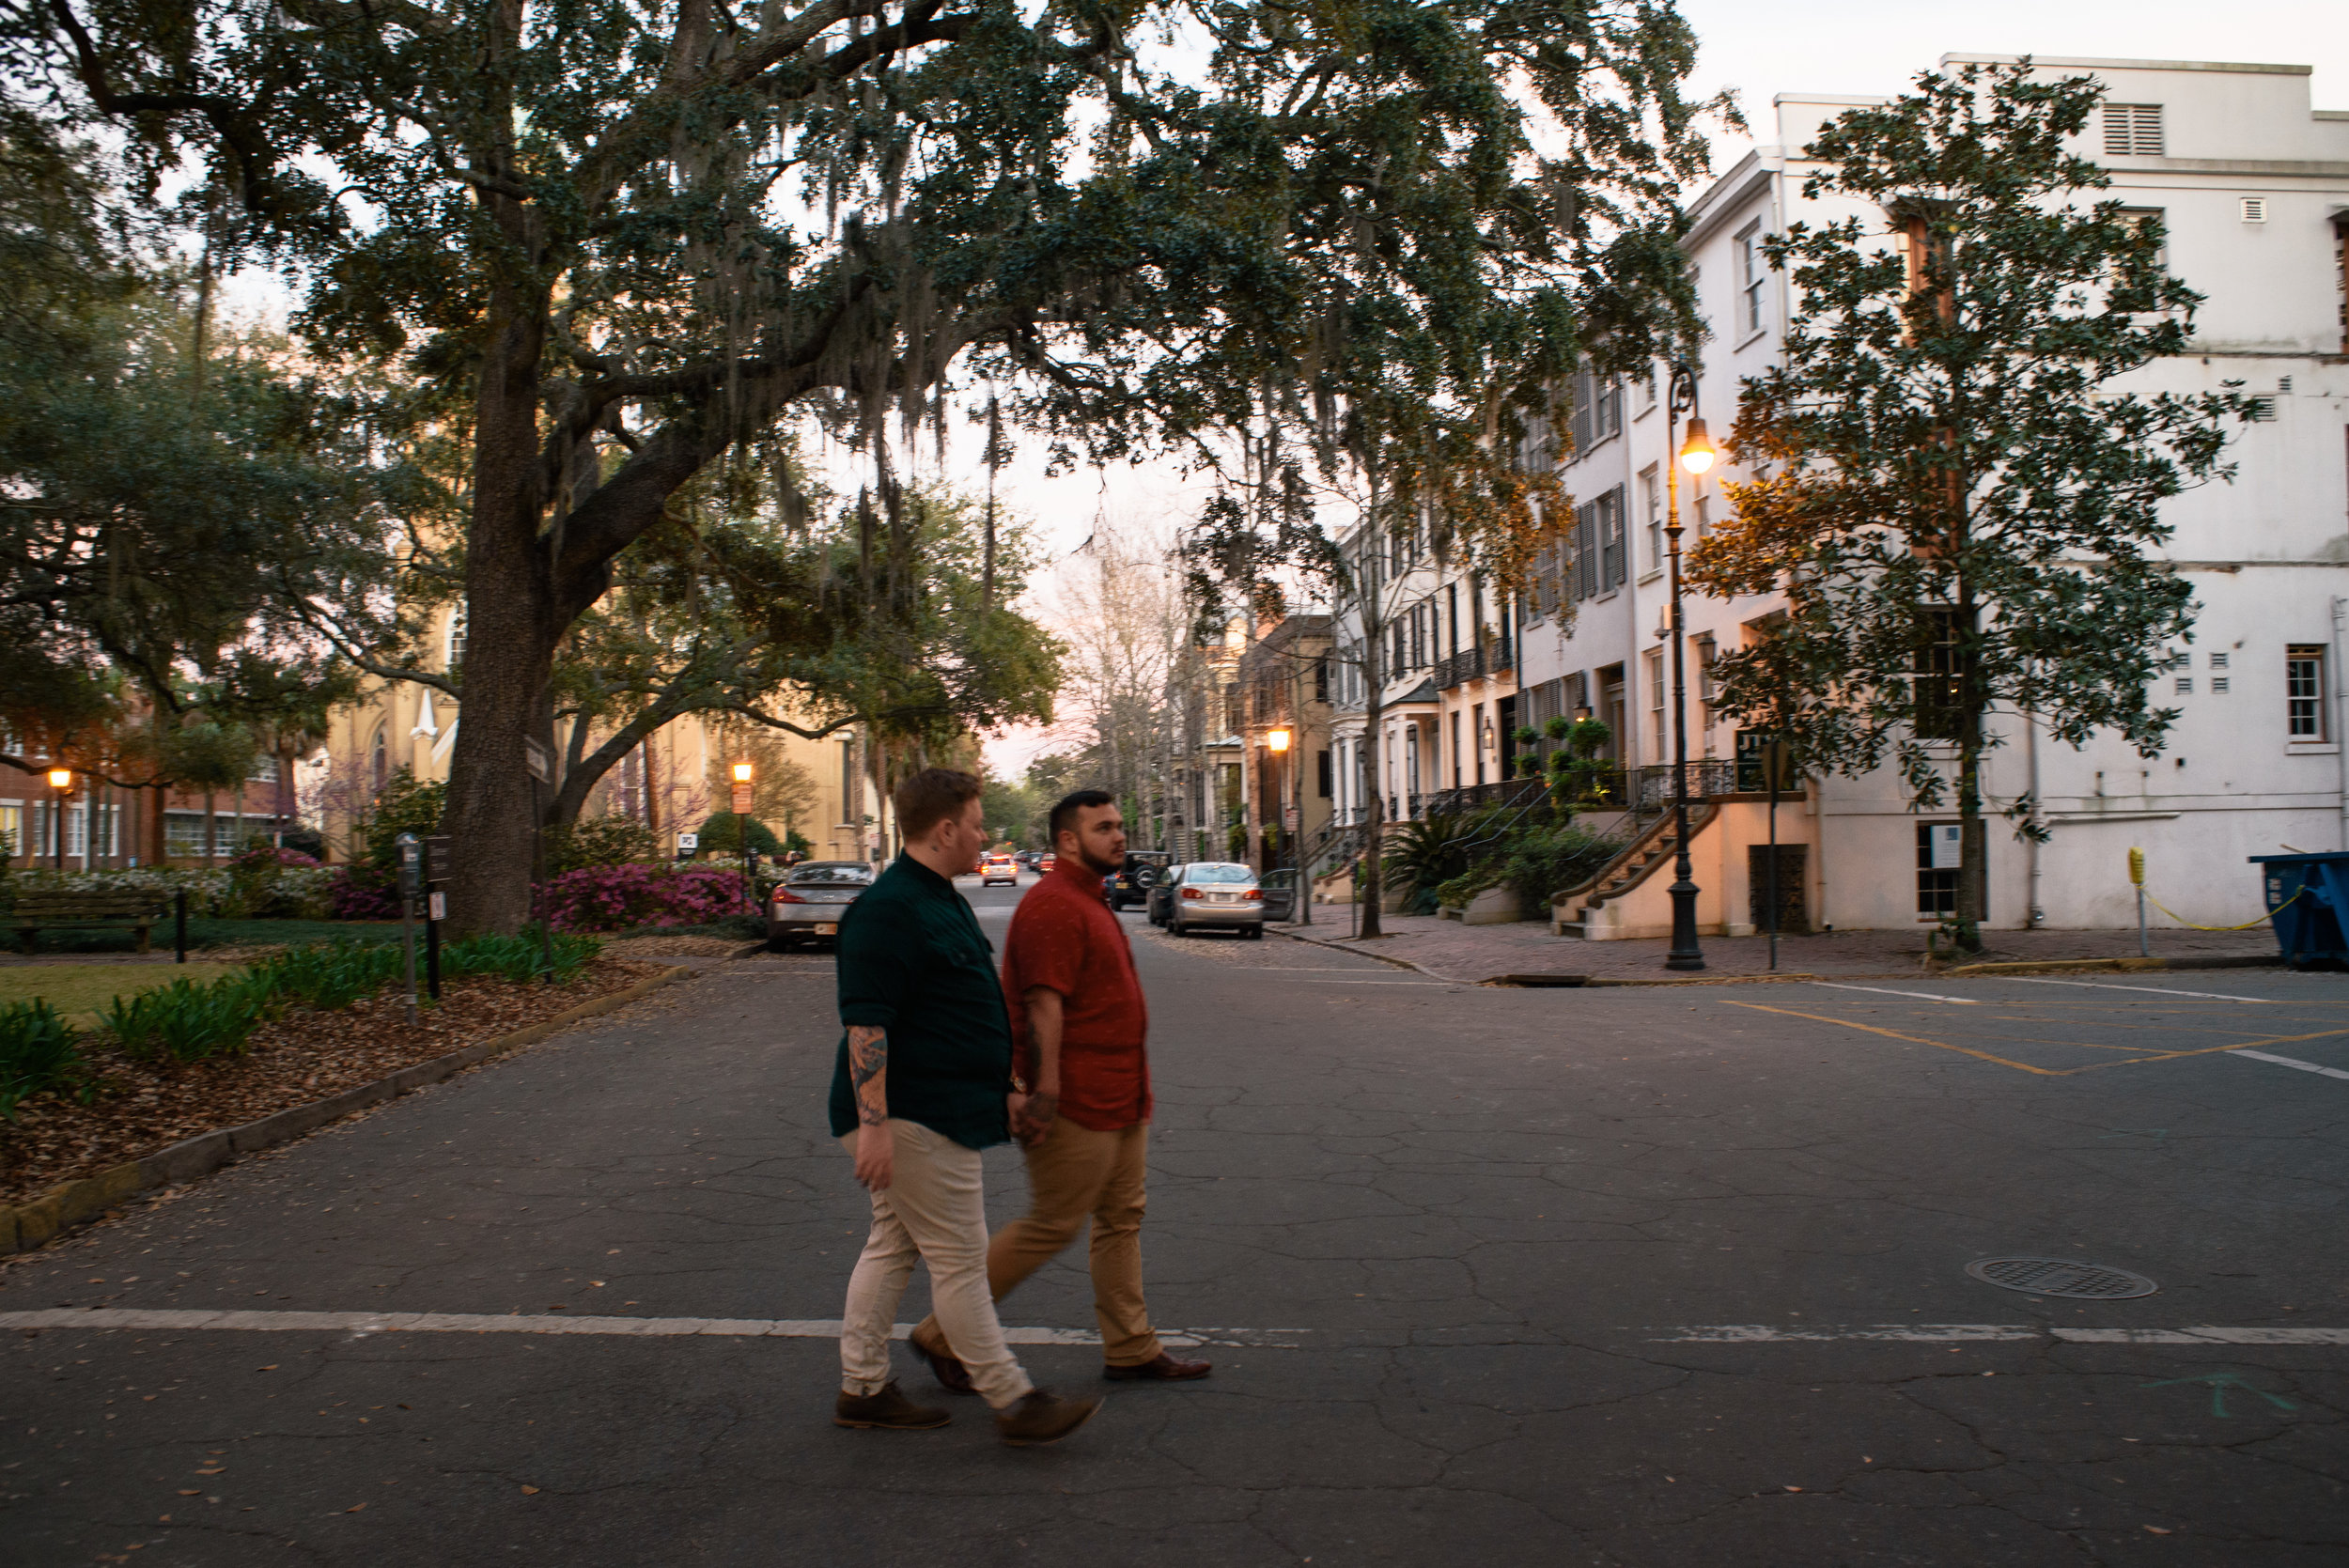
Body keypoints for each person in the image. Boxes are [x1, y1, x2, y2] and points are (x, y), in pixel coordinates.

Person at [827, 768, 1100, 1447]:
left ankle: (862, 1388)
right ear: (945, 829)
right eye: (977, 823)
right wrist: (875, 1126)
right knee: (959, 1254)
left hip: (943, 1104)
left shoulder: (937, 897)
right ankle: (1014, 1397)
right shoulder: (887, 910)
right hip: (914, 1113)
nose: (985, 834)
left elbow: (963, 1004)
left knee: (892, 1245)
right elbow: (867, 1026)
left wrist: (1005, 1082)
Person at [910, 788, 1211, 1391]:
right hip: (1075, 1101)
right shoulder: (1053, 905)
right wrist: (1038, 1091)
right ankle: (940, 1333)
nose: (1120, 837)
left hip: (1124, 1094)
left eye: (1121, 825)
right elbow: (1041, 1003)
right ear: (1068, 840)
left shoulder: (1091, 900)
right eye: (1105, 828)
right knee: (1052, 1223)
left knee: (1121, 1218)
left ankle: (1130, 1346)